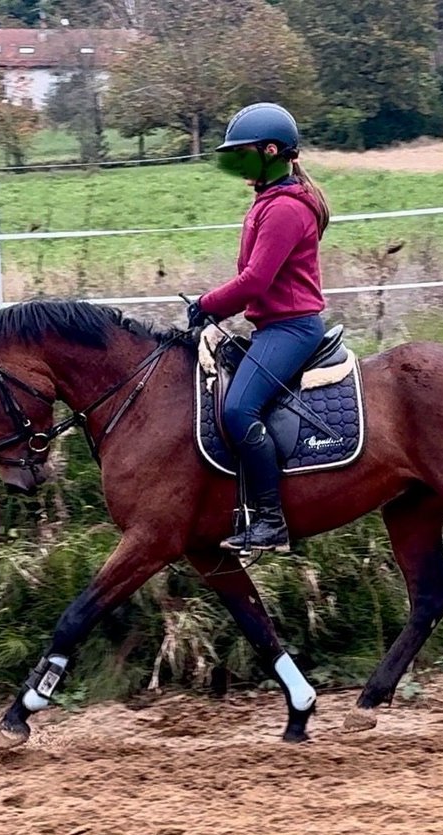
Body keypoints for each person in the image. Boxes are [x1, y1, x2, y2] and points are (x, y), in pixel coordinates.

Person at [187, 102, 332, 553]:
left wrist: (207, 305)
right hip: (272, 325)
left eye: (243, 154)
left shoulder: (286, 209)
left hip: (291, 329)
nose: (236, 164)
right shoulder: (268, 202)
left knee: (237, 410)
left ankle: (271, 522)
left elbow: (256, 280)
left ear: (272, 152)